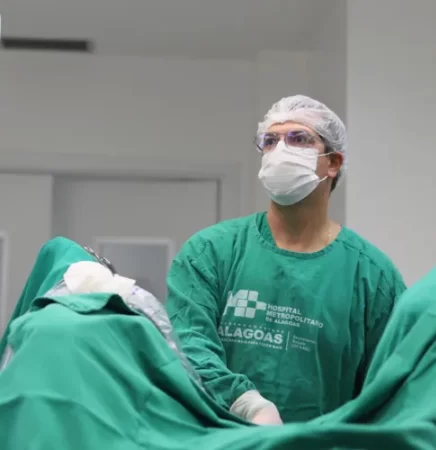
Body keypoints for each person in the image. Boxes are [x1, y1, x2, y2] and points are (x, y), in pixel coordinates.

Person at [165, 95, 406, 425]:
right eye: (270, 140)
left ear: (333, 162)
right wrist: (247, 404)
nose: (280, 150)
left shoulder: (371, 276)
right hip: (223, 441)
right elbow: (189, 347)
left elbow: (393, 385)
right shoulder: (211, 252)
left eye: (299, 139)